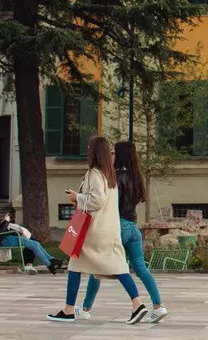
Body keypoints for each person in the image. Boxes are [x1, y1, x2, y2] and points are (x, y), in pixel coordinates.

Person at [49, 135, 146, 322]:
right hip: (111, 228)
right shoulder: (110, 175)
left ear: (94, 152)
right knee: (118, 267)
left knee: (74, 265)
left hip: (94, 230)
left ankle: (68, 310)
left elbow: (97, 200)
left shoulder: (94, 173)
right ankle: (137, 304)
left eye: (88, 148)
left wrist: (77, 197)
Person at [113, 141, 168, 323]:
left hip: (119, 226)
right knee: (142, 269)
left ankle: (85, 307)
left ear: (119, 155)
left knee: (100, 265)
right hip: (133, 226)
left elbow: (113, 205)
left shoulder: (117, 177)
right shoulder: (137, 177)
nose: (111, 155)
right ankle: (158, 306)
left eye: (114, 152)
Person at [0, 195, 57, 274]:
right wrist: (6, 221)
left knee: (35, 243)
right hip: (3, 240)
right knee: (34, 245)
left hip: (6, 237)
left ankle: (52, 260)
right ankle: (50, 265)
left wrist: (6, 223)